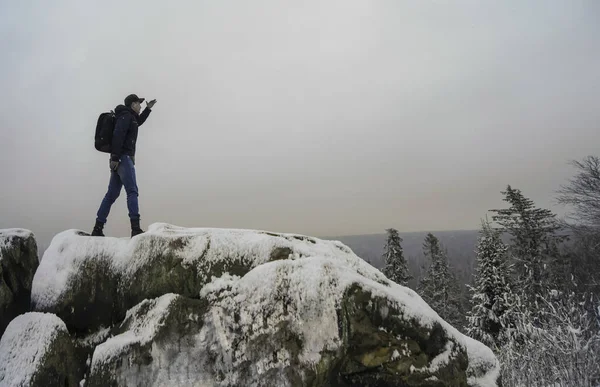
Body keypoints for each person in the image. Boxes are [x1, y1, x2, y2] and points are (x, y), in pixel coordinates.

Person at [91, 94, 157, 237]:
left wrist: (148, 109)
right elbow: (118, 135)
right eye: (138, 103)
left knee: (111, 195)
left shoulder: (130, 117)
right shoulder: (125, 117)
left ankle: (98, 228)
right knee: (132, 191)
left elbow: (138, 122)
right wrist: (115, 157)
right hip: (123, 158)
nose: (140, 106)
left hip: (118, 159)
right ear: (132, 104)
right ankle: (135, 229)